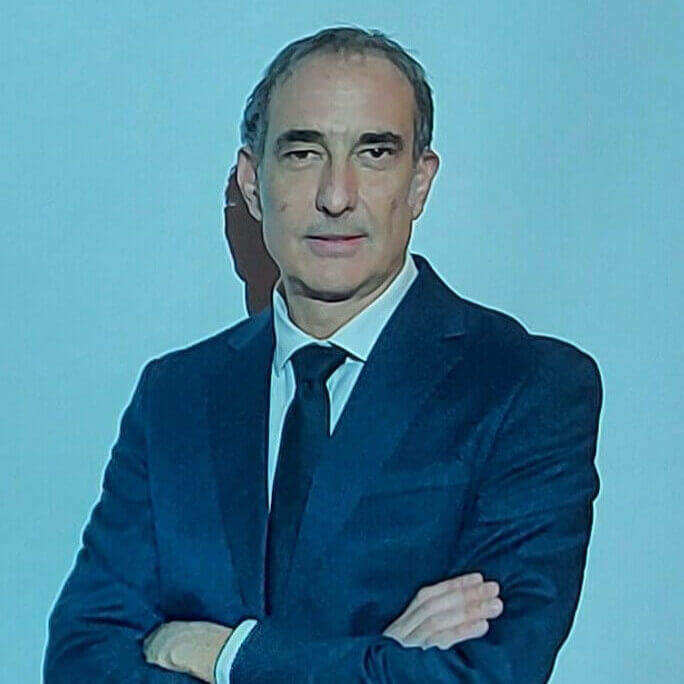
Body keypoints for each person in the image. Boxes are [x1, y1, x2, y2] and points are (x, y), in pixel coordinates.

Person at [44, 26, 602, 683]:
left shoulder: (526, 388)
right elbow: (81, 661)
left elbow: (484, 675)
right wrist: (377, 659)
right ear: (253, 183)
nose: (336, 196)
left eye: (375, 152)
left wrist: (226, 655)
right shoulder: (176, 395)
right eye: (304, 153)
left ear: (419, 184)